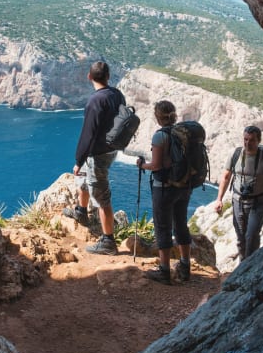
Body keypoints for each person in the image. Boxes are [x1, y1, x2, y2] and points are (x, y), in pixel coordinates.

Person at [63, 61, 123, 255]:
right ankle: (81, 212)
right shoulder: (117, 94)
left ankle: (108, 241)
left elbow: (88, 134)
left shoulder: (95, 101)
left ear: (89, 77)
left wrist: (78, 161)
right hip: (112, 149)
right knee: (86, 180)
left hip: (98, 153)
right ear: (108, 76)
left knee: (101, 195)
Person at [135, 100, 192, 284]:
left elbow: (157, 165)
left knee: (162, 227)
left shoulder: (160, 136)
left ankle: (164, 270)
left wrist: (142, 165)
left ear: (157, 117)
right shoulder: (182, 133)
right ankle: (185, 266)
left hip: (165, 188)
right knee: (181, 224)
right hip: (183, 187)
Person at [214, 125, 263, 261]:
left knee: (252, 236)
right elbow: (226, 177)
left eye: (251, 140)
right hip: (238, 200)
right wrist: (219, 199)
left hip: (259, 202)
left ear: (259, 141)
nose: (247, 143)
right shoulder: (236, 154)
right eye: (245, 139)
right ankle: (243, 265)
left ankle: (249, 267)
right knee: (240, 237)